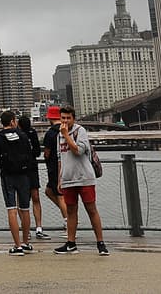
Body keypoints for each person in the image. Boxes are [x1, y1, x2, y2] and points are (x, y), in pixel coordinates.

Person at [53, 105, 107, 256]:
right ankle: (71, 243)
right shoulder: (59, 135)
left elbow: (78, 151)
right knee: (71, 211)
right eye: (63, 118)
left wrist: (67, 135)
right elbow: (60, 158)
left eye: (68, 118)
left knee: (91, 209)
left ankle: (100, 243)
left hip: (84, 178)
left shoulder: (80, 131)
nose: (65, 121)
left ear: (73, 119)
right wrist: (60, 179)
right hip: (68, 179)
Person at [0, 110, 35, 255]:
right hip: (24, 175)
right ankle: (26, 242)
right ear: (12, 121)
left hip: (7, 176)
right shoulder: (23, 136)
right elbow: (30, 154)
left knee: (11, 209)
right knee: (25, 209)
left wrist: (4, 166)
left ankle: (17, 246)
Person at [18, 113, 50, 240]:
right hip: (31, 167)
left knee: (22, 200)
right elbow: (37, 152)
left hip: (22, 169)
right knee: (34, 198)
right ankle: (37, 228)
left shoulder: (18, 134)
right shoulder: (32, 133)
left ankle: (29, 229)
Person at [41, 105, 68, 223]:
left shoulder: (50, 133)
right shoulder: (67, 130)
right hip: (67, 165)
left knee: (59, 195)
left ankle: (69, 221)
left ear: (50, 118)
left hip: (54, 167)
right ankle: (69, 214)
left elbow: (47, 153)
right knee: (49, 191)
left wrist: (46, 157)